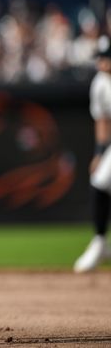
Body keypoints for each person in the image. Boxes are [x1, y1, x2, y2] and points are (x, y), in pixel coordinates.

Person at [74, 38, 111, 272]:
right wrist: (99, 152)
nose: (100, 62)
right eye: (99, 58)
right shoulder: (99, 83)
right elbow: (102, 120)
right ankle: (100, 242)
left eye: (104, 57)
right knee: (99, 181)